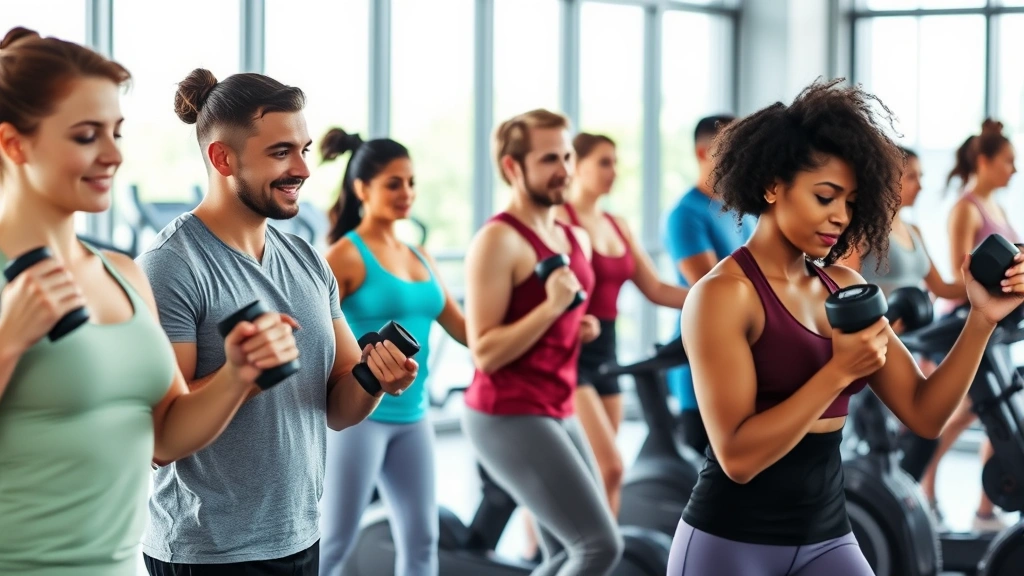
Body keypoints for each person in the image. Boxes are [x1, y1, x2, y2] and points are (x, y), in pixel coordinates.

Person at [669, 78, 1024, 575]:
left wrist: (982, 320)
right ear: (773, 185)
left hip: (827, 538)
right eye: (826, 196)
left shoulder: (843, 285)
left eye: (851, 202)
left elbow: (924, 414)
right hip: (732, 542)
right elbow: (737, 457)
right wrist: (837, 374)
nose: (840, 216)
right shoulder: (723, 295)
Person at [0, 28, 293, 576]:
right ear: (15, 145)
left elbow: (164, 434)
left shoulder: (125, 275)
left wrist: (238, 373)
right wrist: (7, 341)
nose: (113, 154)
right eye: (87, 136)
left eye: (116, 132)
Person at [137, 69, 418, 575]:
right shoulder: (172, 265)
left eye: (304, 150)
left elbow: (337, 405)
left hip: (298, 535)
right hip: (209, 552)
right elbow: (161, 438)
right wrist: (240, 373)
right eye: (281, 152)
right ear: (223, 158)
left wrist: (377, 379)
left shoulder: (308, 260)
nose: (303, 169)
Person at [462, 108, 623, 576]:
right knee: (598, 547)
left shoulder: (574, 236)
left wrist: (577, 323)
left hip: (557, 402)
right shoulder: (498, 240)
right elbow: (485, 352)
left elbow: (563, 317)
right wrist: (552, 308)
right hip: (505, 412)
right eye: (550, 158)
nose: (566, 169)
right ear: (513, 167)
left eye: (569, 155)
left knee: (564, 554)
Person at [317, 127, 467, 576]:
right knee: (335, 545)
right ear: (362, 188)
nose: (407, 193)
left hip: (413, 418)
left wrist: (550, 318)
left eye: (412, 182)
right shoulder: (344, 255)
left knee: (423, 543)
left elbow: (465, 330)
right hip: (361, 421)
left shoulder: (419, 253)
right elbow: (314, 339)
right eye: (394, 183)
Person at [556, 131, 688, 515]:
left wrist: (720, 294)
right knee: (610, 467)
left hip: (606, 354)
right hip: (569, 354)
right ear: (576, 166)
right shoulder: (558, 222)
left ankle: (605, 556)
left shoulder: (618, 225)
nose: (613, 170)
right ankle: (547, 550)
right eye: (603, 162)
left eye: (615, 161)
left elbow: (658, 289)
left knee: (597, 471)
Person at [918, 119, 1019, 532]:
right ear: (984, 160)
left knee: (1000, 406)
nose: (1014, 170)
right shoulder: (966, 207)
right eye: (1008, 161)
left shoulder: (998, 206)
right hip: (964, 318)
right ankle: (921, 489)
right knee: (962, 412)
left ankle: (984, 508)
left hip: (998, 323)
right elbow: (965, 270)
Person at [662, 114, 756, 455]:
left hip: (743, 357)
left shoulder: (742, 212)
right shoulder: (685, 214)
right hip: (700, 367)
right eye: (733, 149)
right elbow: (713, 290)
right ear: (703, 154)